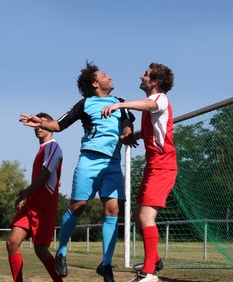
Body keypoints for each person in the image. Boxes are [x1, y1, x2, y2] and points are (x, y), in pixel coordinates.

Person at [19, 62, 135, 282]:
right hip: (89, 161)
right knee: (77, 207)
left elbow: (127, 122)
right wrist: (40, 121)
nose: (109, 76)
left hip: (112, 164)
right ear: (95, 83)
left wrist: (127, 133)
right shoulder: (85, 104)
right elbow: (60, 125)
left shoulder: (120, 102)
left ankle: (106, 264)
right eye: (104, 75)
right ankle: (61, 252)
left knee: (112, 209)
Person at [102, 62, 177, 282]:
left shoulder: (159, 98)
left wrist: (119, 106)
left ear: (154, 82)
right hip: (153, 165)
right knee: (138, 215)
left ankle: (149, 273)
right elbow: (154, 129)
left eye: (145, 74)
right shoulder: (152, 106)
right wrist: (136, 136)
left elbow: (147, 105)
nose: (141, 76)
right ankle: (153, 261)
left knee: (146, 216)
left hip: (163, 166)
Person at [6, 112, 63, 282]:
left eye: (42, 124)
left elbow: (46, 175)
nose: (38, 128)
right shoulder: (41, 150)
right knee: (12, 243)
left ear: (51, 126)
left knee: (41, 249)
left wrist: (26, 192)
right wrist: (26, 194)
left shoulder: (53, 147)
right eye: (36, 125)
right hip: (31, 205)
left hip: (44, 208)